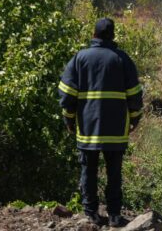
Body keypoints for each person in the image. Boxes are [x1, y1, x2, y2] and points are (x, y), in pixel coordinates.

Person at [59, 18, 143, 228]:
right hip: (116, 130)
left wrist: (69, 119)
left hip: (88, 129)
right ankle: (114, 215)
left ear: (94, 35)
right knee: (114, 172)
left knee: (89, 171)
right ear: (113, 36)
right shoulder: (122, 59)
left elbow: (67, 94)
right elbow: (134, 95)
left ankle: (91, 214)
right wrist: (134, 118)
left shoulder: (80, 58)